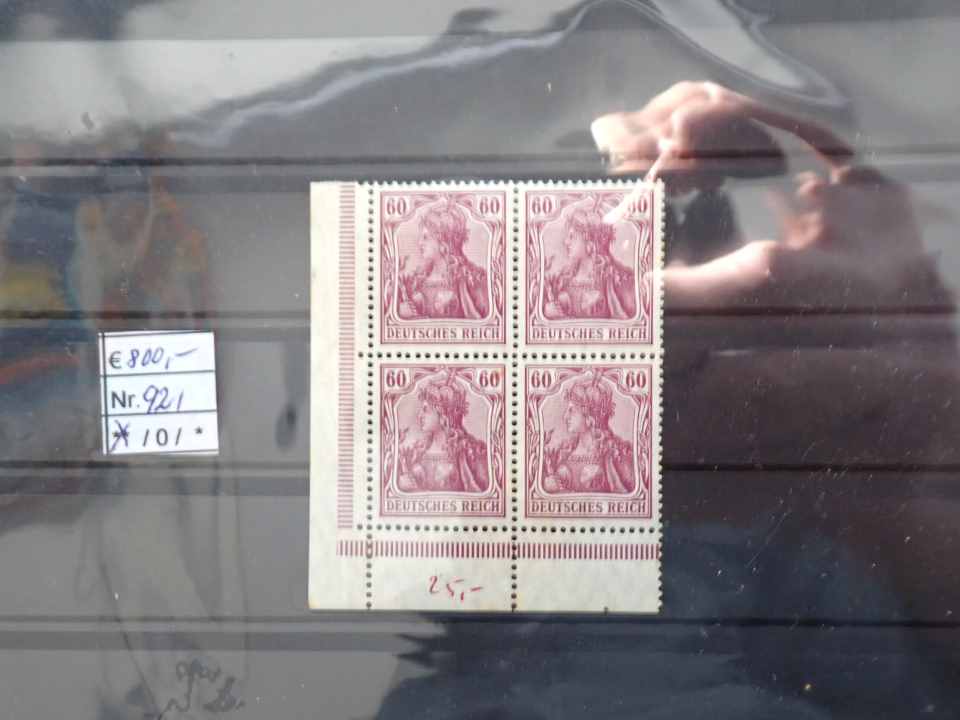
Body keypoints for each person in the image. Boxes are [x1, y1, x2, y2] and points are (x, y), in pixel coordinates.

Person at [543, 376, 636, 494]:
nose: (565, 417)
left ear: (589, 417)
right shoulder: (563, 453)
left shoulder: (616, 455)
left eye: (571, 410)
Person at [398, 375, 490, 493]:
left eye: (426, 410)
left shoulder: (471, 452)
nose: (419, 415)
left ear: (443, 415)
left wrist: (414, 490)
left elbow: (481, 496)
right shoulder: (416, 451)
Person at [397, 201, 489, 319]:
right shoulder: (416, 281)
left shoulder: (473, 280)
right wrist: (401, 313)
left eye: (426, 237)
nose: (420, 243)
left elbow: (482, 323)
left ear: (443, 243)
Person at [543, 206, 637, 320]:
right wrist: (547, 312)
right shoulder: (563, 279)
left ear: (590, 243)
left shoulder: (612, 279)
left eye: (572, 236)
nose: (566, 242)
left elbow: (623, 321)